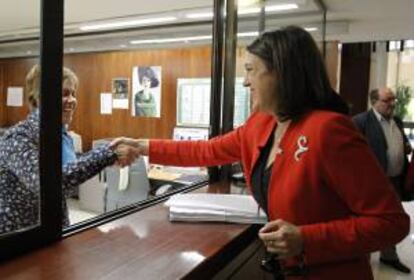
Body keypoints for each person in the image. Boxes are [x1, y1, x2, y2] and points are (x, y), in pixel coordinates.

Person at [114, 26, 409, 280]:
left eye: (250, 70)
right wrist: (143, 146)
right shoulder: (262, 123)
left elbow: (391, 223)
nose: (244, 82)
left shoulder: (329, 130)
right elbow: (207, 150)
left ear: (282, 72)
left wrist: (306, 239)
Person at [0, 65, 138, 234]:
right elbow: (49, 183)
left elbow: (70, 169)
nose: (71, 100)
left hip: (53, 231)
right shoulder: (18, 138)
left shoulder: (61, 135)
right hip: (17, 241)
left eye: (73, 94)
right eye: (64, 94)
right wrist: (107, 154)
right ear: (39, 98)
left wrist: (108, 155)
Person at [353, 87, 411, 274]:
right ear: (374, 102)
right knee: (368, 222)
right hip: (371, 183)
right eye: (387, 100)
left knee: (391, 220)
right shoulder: (360, 122)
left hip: (394, 180)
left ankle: (389, 256)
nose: (393, 103)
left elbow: (401, 145)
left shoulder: (398, 121)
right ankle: (362, 259)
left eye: (393, 99)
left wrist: (405, 148)